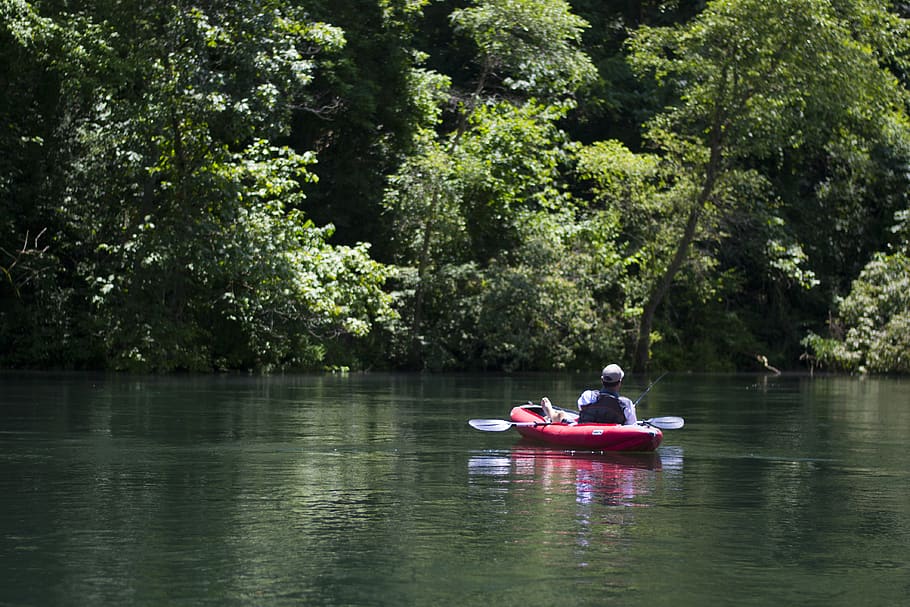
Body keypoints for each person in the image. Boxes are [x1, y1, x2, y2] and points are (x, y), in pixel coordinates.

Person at [540, 363, 637, 425]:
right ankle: (551, 413)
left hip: (583, 429)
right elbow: (632, 425)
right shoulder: (626, 404)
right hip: (610, 434)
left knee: (562, 415)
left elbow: (581, 409)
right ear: (619, 383)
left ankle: (551, 414)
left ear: (602, 380)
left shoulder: (588, 396)